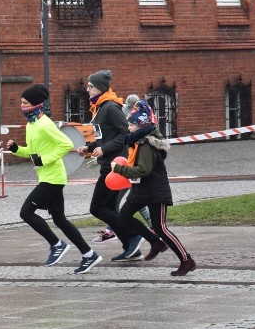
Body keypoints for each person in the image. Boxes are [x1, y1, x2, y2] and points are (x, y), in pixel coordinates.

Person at [7, 84, 102, 274]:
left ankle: (56, 244)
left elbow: (66, 144)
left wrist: (45, 159)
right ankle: (89, 254)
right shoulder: (32, 124)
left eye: (25, 102)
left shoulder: (44, 123)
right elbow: (33, 153)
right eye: (21, 102)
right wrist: (17, 149)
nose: (22, 106)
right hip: (48, 176)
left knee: (26, 212)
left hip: (53, 178)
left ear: (35, 104)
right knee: (60, 219)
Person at [111, 101, 196, 276]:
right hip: (141, 190)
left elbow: (143, 170)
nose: (129, 127)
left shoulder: (145, 144)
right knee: (123, 216)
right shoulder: (137, 142)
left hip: (155, 191)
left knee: (161, 228)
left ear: (141, 125)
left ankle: (186, 260)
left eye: (132, 124)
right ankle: (155, 242)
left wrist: (118, 169)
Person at [74, 70, 136, 261]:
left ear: (100, 88)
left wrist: (105, 149)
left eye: (90, 86)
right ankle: (131, 246)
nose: (87, 89)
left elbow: (124, 134)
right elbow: (104, 137)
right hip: (107, 164)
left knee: (97, 207)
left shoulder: (110, 107)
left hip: (113, 166)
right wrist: (90, 147)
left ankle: (134, 236)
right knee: (109, 209)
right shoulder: (99, 108)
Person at [92, 93, 153, 246]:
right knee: (125, 201)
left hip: (126, 164)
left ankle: (141, 233)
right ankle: (130, 236)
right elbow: (109, 137)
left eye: (132, 125)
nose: (130, 127)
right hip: (123, 163)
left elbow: (123, 137)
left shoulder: (116, 111)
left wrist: (105, 150)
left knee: (125, 201)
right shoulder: (118, 111)